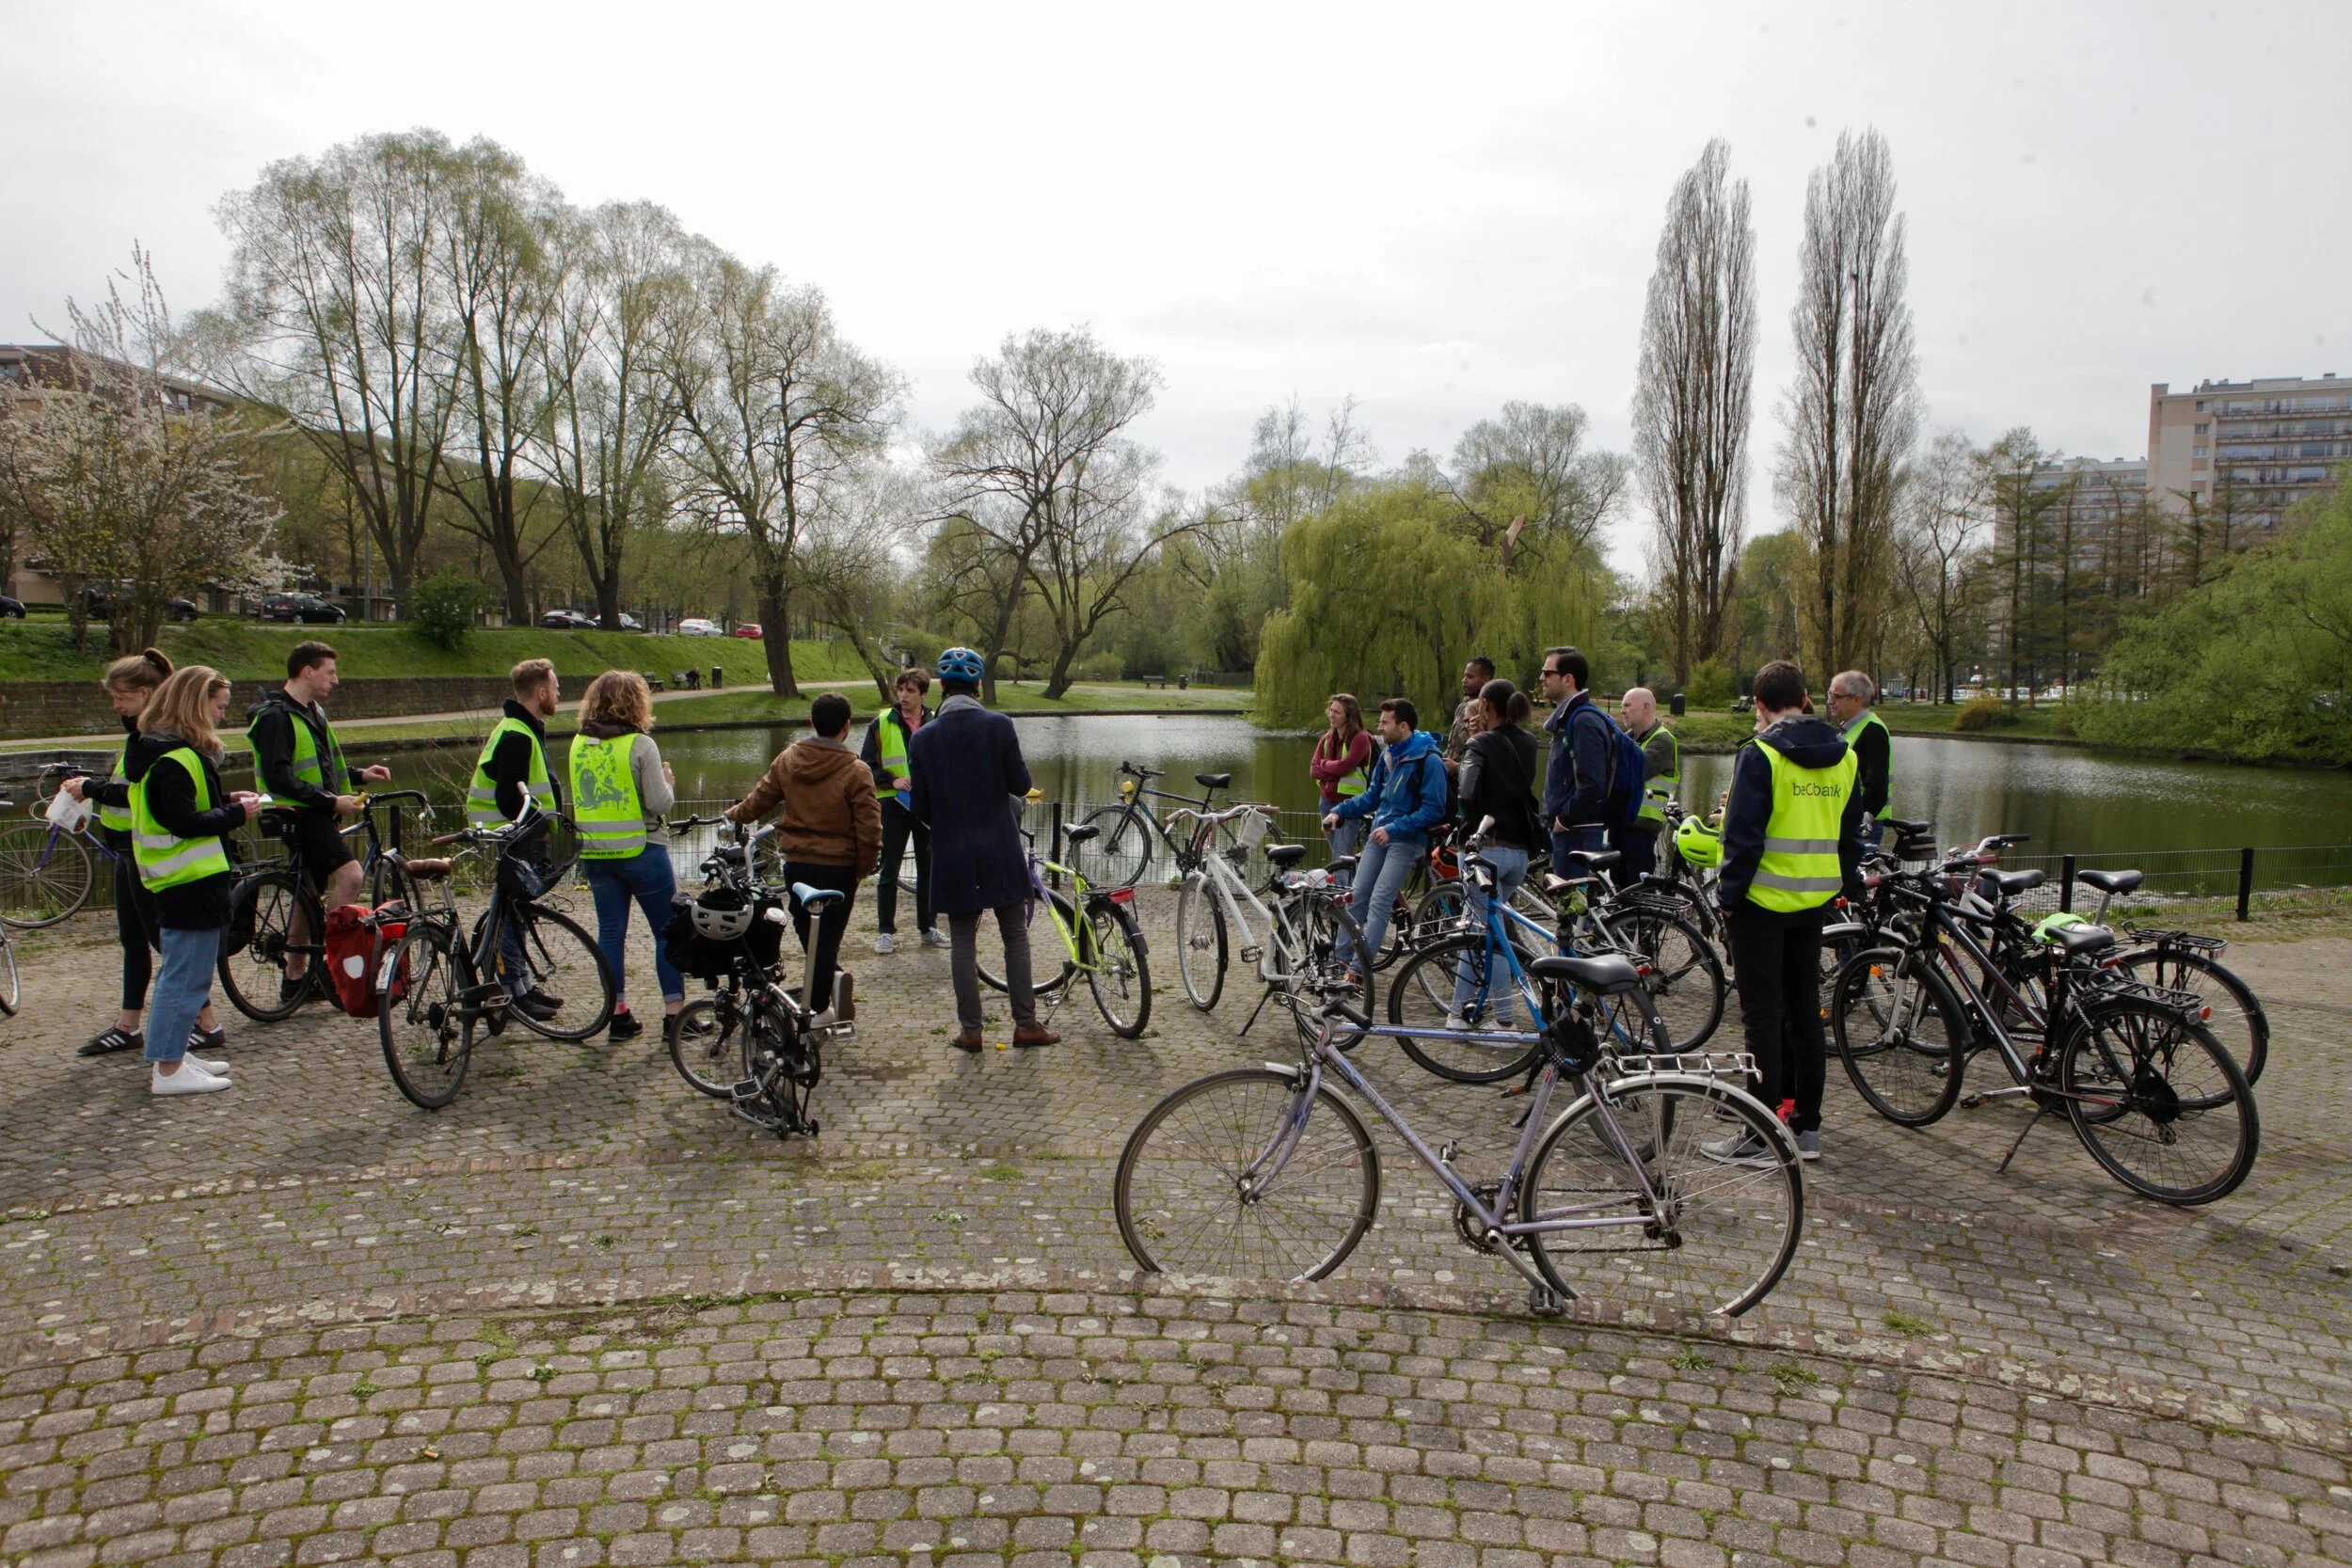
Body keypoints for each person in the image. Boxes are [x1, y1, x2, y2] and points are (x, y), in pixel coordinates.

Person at [1705, 659, 1863, 1166]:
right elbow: (1850, 835)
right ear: (1806, 697)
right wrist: (1839, 884)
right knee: (1804, 1017)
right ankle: (1807, 1128)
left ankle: (1759, 1136)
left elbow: (1743, 838)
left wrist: (1728, 899)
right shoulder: (1845, 757)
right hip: (1814, 902)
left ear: (1759, 704)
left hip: (1761, 904)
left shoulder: (1762, 755)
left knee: (1762, 1019)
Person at [62, 649, 225, 1060]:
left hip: (148, 852)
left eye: (121, 698)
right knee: (135, 938)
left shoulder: (159, 742)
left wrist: (93, 788)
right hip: (127, 847)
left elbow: (144, 797)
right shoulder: (143, 736)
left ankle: (203, 1024)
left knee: (164, 943)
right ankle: (128, 1024)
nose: (116, 707)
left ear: (147, 693)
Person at [906, 647, 1059, 1051]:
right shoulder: (1000, 725)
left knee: (961, 939)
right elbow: (1021, 785)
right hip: (999, 845)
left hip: (952, 850)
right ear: (977, 686)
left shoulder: (922, 738)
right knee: (1014, 935)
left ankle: (971, 1031)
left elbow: (918, 806)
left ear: (940, 687)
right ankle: (1026, 1024)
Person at [124, 666, 262, 1096]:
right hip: (188, 880)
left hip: (189, 879)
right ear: (195, 705)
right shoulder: (175, 759)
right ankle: (167, 1069)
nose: (221, 717)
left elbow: (180, 809)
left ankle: (176, 1055)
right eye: (218, 708)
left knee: (192, 976)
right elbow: (182, 820)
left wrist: (224, 800)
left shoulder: (168, 755)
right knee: (183, 977)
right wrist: (237, 814)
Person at [246, 641, 393, 1002]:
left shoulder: (312, 712)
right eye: (330, 672)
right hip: (298, 814)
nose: (336, 680)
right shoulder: (275, 716)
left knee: (308, 895)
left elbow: (321, 768)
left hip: (314, 809)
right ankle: (329, 964)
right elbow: (280, 778)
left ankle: (296, 977)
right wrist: (332, 800)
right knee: (351, 875)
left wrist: (359, 775)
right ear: (307, 671)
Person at [727, 691, 881, 1024]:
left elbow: (759, 800)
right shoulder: (857, 771)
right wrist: (862, 869)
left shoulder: (788, 759)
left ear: (812, 722)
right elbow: (869, 830)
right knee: (827, 936)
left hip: (797, 862)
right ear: (846, 726)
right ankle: (819, 1006)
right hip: (839, 867)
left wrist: (733, 814)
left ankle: (825, 982)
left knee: (806, 925)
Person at [567, 671, 682, 1042]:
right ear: (637, 702)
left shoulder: (578, 744)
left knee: (611, 934)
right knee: (668, 933)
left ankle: (617, 1017)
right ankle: (675, 1019)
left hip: (597, 853)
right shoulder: (640, 745)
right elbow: (660, 802)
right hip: (642, 850)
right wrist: (668, 780)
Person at [1321, 697, 1447, 980]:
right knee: (1355, 898)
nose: (1379, 727)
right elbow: (1372, 796)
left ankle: (1357, 971)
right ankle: (1338, 963)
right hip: (1380, 835)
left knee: (1379, 901)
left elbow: (1434, 808)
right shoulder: (1390, 754)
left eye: (1384, 722)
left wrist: (1395, 828)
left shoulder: (1429, 759)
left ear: (1403, 726)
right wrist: (1339, 812)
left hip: (1406, 840)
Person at [468, 658, 564, 1022]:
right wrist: (538, 824)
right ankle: (512, 992)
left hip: (518, 833)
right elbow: (509, 798)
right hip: (514, 835)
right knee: (512, 914)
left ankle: (520, 984)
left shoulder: (519, 727)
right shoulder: (518, 734)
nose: (558, 694)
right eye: (555, 688)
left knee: (515, 914)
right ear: (540, 692)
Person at [1448, 679, 1543, 1031]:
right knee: (1488, 931)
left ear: (1486, 704)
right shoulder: (1530, 743)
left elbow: (1468, 794)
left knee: (1483, 936)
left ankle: (1500, 1020)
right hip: (1519, 852)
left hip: (1485, 850)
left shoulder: (1480, 744)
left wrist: (1466, 825)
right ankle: (1465, 1012)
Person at [860, 668, 943, 954]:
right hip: (894, 804)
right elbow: (866, 764)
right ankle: (885, 931)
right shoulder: (881, 723)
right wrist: (891, 780)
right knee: (889, 869)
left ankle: (928, 927)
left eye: (910, 691)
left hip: (927, 807)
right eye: (901, 690)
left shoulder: (936, 721)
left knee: (928, 870)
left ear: (922, 694)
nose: (904, 696)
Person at [1537, 646, 1613, 879]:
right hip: (1571, 831)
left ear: (1568, 679)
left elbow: (1592, 784)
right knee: (1573, 908)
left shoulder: (1583, 721)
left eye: (1547, 672)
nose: (1541, 677)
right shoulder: (1571, 719)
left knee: (1575, 911)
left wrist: (1564, 819)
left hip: (1576, 832)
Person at [1609, 687, 1680, 886]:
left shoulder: (1663, 740)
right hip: (1621, 823)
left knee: (1638, 887)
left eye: (1627, 705)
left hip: (1642, 826)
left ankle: (1644, 918)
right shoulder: (1629, 738)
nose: (1622, 710)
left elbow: (1634, 772)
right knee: (1619, 885)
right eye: (1622, 705)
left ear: (1646, 707)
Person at [1826, 670, 1892, 850]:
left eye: (1835, 696)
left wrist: (1859, 820)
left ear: (1857, 699)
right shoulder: (1852, 729)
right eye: (1829, 695)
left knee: (1852, 877)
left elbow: (1877, 784)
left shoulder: (1872, 731)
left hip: (1863, 824)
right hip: (1852, 820)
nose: (1829, 701)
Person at [1309, 693, 1374, 877]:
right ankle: (1351, 896)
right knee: (1340, 857)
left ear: (1349, 715)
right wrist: (1331, 769)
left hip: (1349, 805)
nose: (1332, 715)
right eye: (1331, 710)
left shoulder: (1361, 738)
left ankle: (1340, 903)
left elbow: (1346, 766)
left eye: (1337, 712)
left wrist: (1324, 765)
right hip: (1326, 803)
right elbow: (1314, 771)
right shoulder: (1326, 739)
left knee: (1340, 857)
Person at [1442, 656, 1497, 772]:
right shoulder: (1463, 706)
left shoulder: (1489, 709)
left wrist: (1457, 768)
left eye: (1470, 677)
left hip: (1468, 779)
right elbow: (1453, 745)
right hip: (1449, 781)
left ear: (1486, 679)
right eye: (1464, 675)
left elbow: (1490, 755)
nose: (1464, 680)